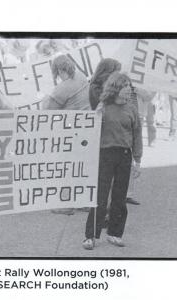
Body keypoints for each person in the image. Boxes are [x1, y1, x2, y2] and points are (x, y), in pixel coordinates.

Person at [83, 72, 143, 250]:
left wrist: (137, 161)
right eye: (125, 87)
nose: (128, 91)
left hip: (124, 155)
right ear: (116, 88)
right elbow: (91, 132)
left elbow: (137, 135)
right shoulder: (104, 106)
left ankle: (115, 233)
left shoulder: (132, 108)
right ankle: (90, 236)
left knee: (120, 196)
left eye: (129, 87)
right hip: (105, 154)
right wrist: (97, 117)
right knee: (100, 196)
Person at [41, 54, 90, 215]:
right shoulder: (82, 77)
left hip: (70, 132)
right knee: (79, 167)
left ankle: (65, 204)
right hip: (85, 130)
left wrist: (44, 99)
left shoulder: (63, 88)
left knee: (65, 168)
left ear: (58, 70)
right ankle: (82, 201)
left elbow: (48, 111)